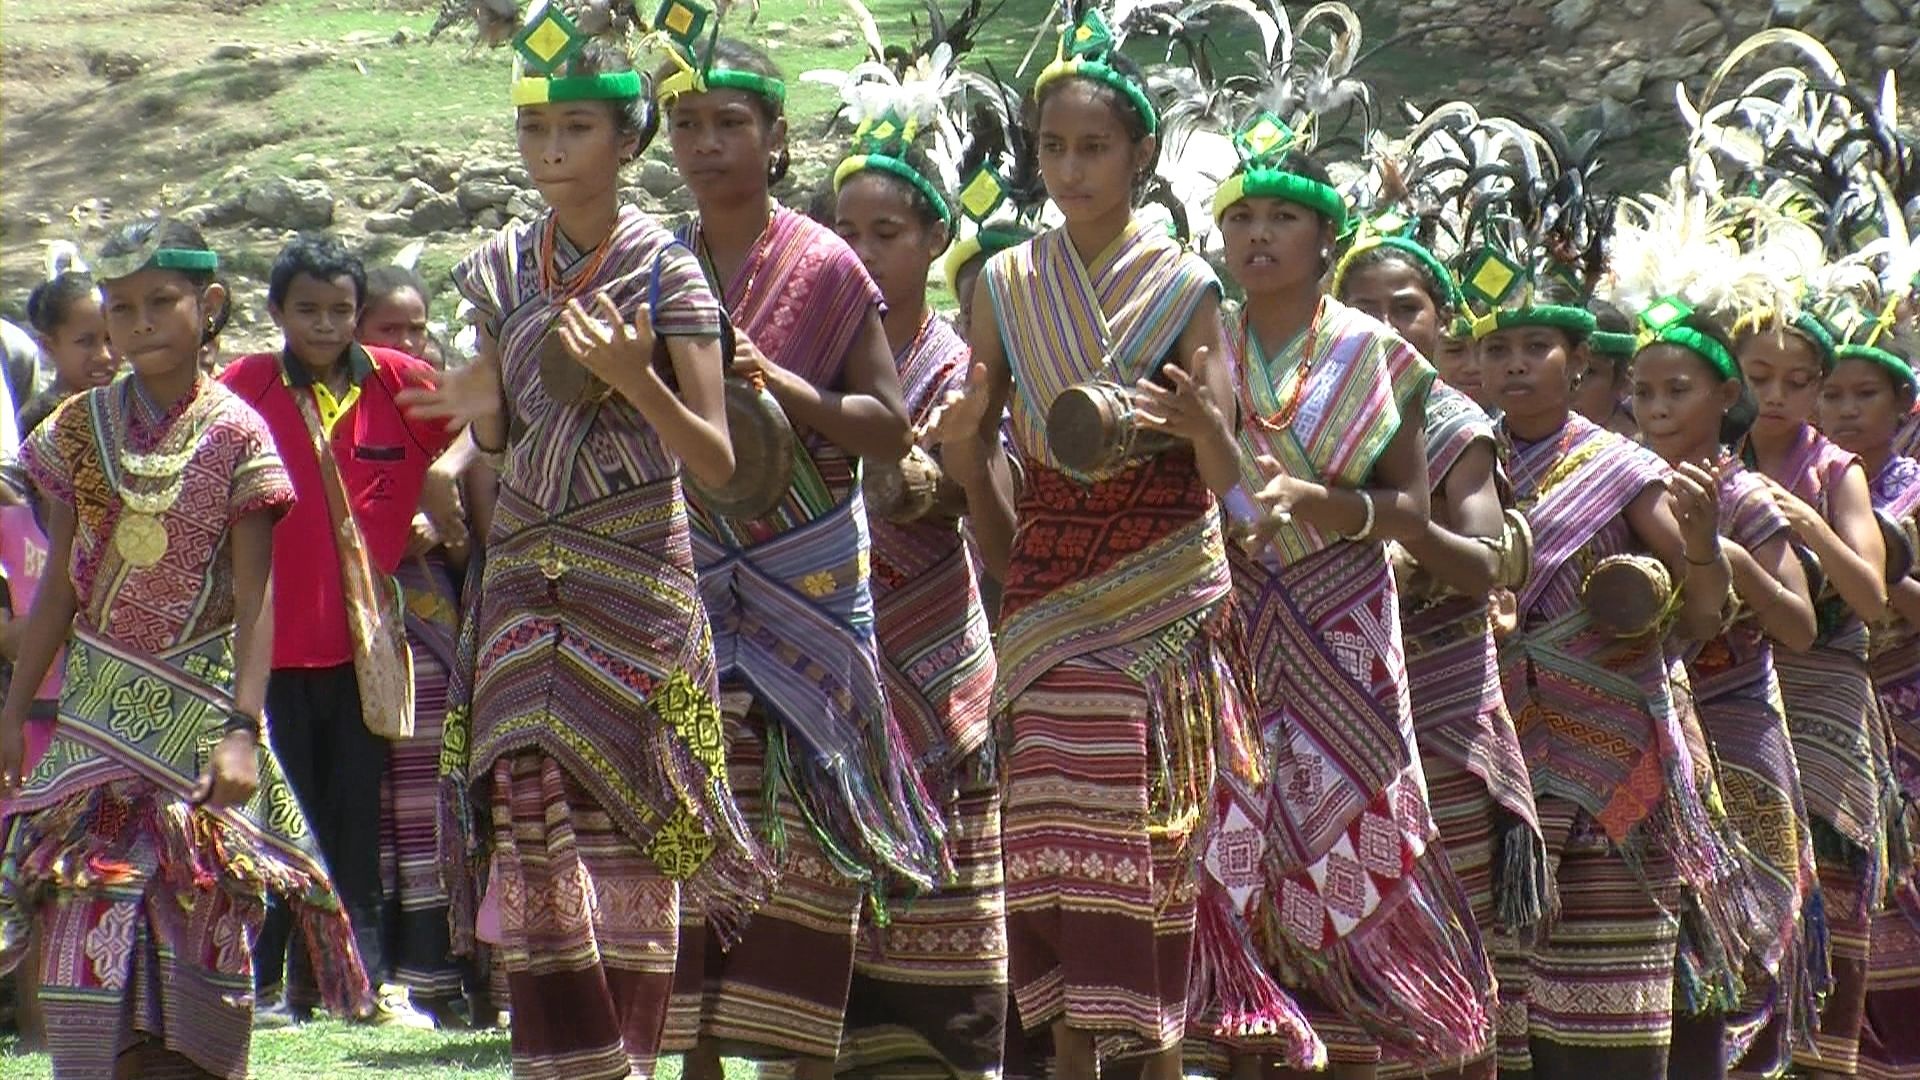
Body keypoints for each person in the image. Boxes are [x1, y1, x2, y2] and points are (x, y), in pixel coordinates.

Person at [933, 13, 1272, 1077]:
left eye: (1092, 147)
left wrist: (1203, 428)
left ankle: (1160, 1060)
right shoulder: (1003, 284)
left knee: (1146, 856)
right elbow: (986, 468)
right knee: (1052, 864)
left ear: (1141, 157)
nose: (1069, 168)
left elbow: (1232, 481)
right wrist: (964, 474)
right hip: (1041, 607)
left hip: (1160, 614)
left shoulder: (1186, 288)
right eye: (1051, 147)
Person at [0, 217, 369, 1078]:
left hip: (199, 721)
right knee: (90, 943)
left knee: (199, 945)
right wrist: (15, 710)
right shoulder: (80, 429)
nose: (138, 323)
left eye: (159, 302)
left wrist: (244, 726)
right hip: (93, 719)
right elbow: (59, 585)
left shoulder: (238, 432)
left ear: (207, 306)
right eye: (119, 307)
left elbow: (255, 595)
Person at [651, 29, 944, 1080]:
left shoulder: (825, 266)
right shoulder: (658, 263)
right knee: (688, 821)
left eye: (731, 123)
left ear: (775, 138)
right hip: (685, 576)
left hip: (805, 585)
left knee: (803, 842)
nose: (707, 143)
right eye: (687, 124)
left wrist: (783, 385)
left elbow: (888, 423)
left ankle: (796, 1059)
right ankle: (689, 1061)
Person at [1191, 132, 1493, 1078]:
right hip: (1235, 618)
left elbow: (1409, 505)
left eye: (1283, 217)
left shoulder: (1374, 351)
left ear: (1328, 239)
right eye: (1239, 218)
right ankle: (1252, 1040)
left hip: (1345, 624)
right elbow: (1198, 490)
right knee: (1238, 842)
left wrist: (1325, 504)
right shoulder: (1204, 341)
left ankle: (1367, 1037)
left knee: (1351, 856)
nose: (1258, 235)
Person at [1476, 254, 1736, 1075]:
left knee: (1611, 1001)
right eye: (1499, 347)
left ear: (1581, 363)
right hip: (1502, 762)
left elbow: (1703, 613)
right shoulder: (1461, 462)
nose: (1515, 362)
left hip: (1619, 765)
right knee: (1505, 1003)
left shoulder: (1622, 470)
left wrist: (1700, 544)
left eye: (1537, 345)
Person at [219, 233, 456, 1028]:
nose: (325, 325)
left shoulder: (397, 382)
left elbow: (480, 431)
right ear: (276, 312)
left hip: (363, 653)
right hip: (270, 650)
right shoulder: (245, 386)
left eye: (341, 311)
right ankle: (264, 985)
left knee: (357, 817)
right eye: (307, 310)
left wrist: (440, 497)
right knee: (282, 819)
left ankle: (367, 983)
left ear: (361, 316)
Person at [828, 84, 1007, 1080]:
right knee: (817, 985)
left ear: (935, 239)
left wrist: (941, 470)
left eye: (887, 231)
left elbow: (977, 499)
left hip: (936, 672)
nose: (862, 251)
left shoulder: (963, 364)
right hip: (822, 672)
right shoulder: (807, 358)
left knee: (943, 1012)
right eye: (844, 230)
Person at [1334, 233, 1543, 1080]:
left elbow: (1487, 555)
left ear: (1441, 320)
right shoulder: (1301, 416)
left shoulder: (1456, 428)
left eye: (1406, 308)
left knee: (1443, 960)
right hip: (1319, 720)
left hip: (1441, 726)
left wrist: (1407, 535)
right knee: (1333, 953)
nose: (1385, 325)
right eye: (1363, 308)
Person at [1735, 307, 1892, 1080]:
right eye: (1758, 377)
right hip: (1735, 698)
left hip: (1822, 701)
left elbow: (1870, 596)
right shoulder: (1717, 458)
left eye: (1798, 383)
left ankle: (1825, 1062)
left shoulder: (1837, 470)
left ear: (1820, 388)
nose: (1776, 396)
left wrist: (1810, 523)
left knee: (1829, 893)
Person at [1812, 328, 1920, 1080]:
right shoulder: (1807, 478)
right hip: (1838, 719)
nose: (1845, 410)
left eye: (1865, 394)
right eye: (1832, 394)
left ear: (1905, 404)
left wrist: (1875, 575)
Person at [18, 272, 115, 437]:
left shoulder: (123, 403)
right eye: (85, 341)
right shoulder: (46, 422)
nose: (104, 356)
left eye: (111, 339)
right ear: (48, 346)